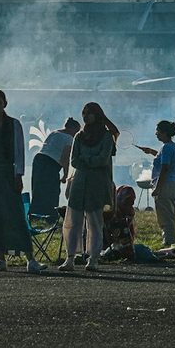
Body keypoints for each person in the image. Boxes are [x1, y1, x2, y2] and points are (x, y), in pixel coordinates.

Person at [0, 88, 43, 273]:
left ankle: (30, 258)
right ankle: (1, 258)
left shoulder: (14, 124)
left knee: (15, 214)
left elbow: (19, 151)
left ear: (5, 104)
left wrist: (18, 175)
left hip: (7, 171)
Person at [61, 102, 119, 272]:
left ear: (97, 115)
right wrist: (89, 160)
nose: (86, 116)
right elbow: (73, 160)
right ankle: (70, 257)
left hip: (98, 183)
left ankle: (93, 258)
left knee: (94, 222)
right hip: (79, 182)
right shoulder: (79, 136)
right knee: (73, 221)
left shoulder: (107, 137)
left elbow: (102, 159)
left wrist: (87, 160)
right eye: (84, 113)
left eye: (89, 113)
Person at [137, 120, 175, 248]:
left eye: (158, 131)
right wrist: (151, 151)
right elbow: (163, 158)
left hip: (166, 186)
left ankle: (169, 244)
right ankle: (171, 242)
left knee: (165, 219)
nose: (156, 134)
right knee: (170, 217)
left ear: (164, 133)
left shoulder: (166, 147)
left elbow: (165, 168)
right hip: (174, 185)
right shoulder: (173, 146)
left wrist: (157, 188)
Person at [33, 117, 79, 217]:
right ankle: (51, 213)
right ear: (73, 129)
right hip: (50, 163)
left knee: (38, 187)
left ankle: (36, 212)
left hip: (38, 159)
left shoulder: (54, 132)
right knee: (52, 189)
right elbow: (65, 158)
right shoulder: (69, 138)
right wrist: (65, 175)